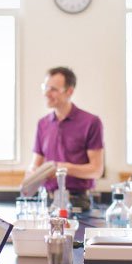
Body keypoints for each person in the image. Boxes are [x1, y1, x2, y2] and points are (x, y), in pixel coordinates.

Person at [29, 66, 104, 212]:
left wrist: (62, 168)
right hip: (47, 202)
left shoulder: (91, 122)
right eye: (45, 87)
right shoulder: (42, 124)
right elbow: (35, 165)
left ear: (69, 91)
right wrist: (32, 177)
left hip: (78, 203)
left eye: (53, 89)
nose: (46, 93)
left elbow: (96, 170)